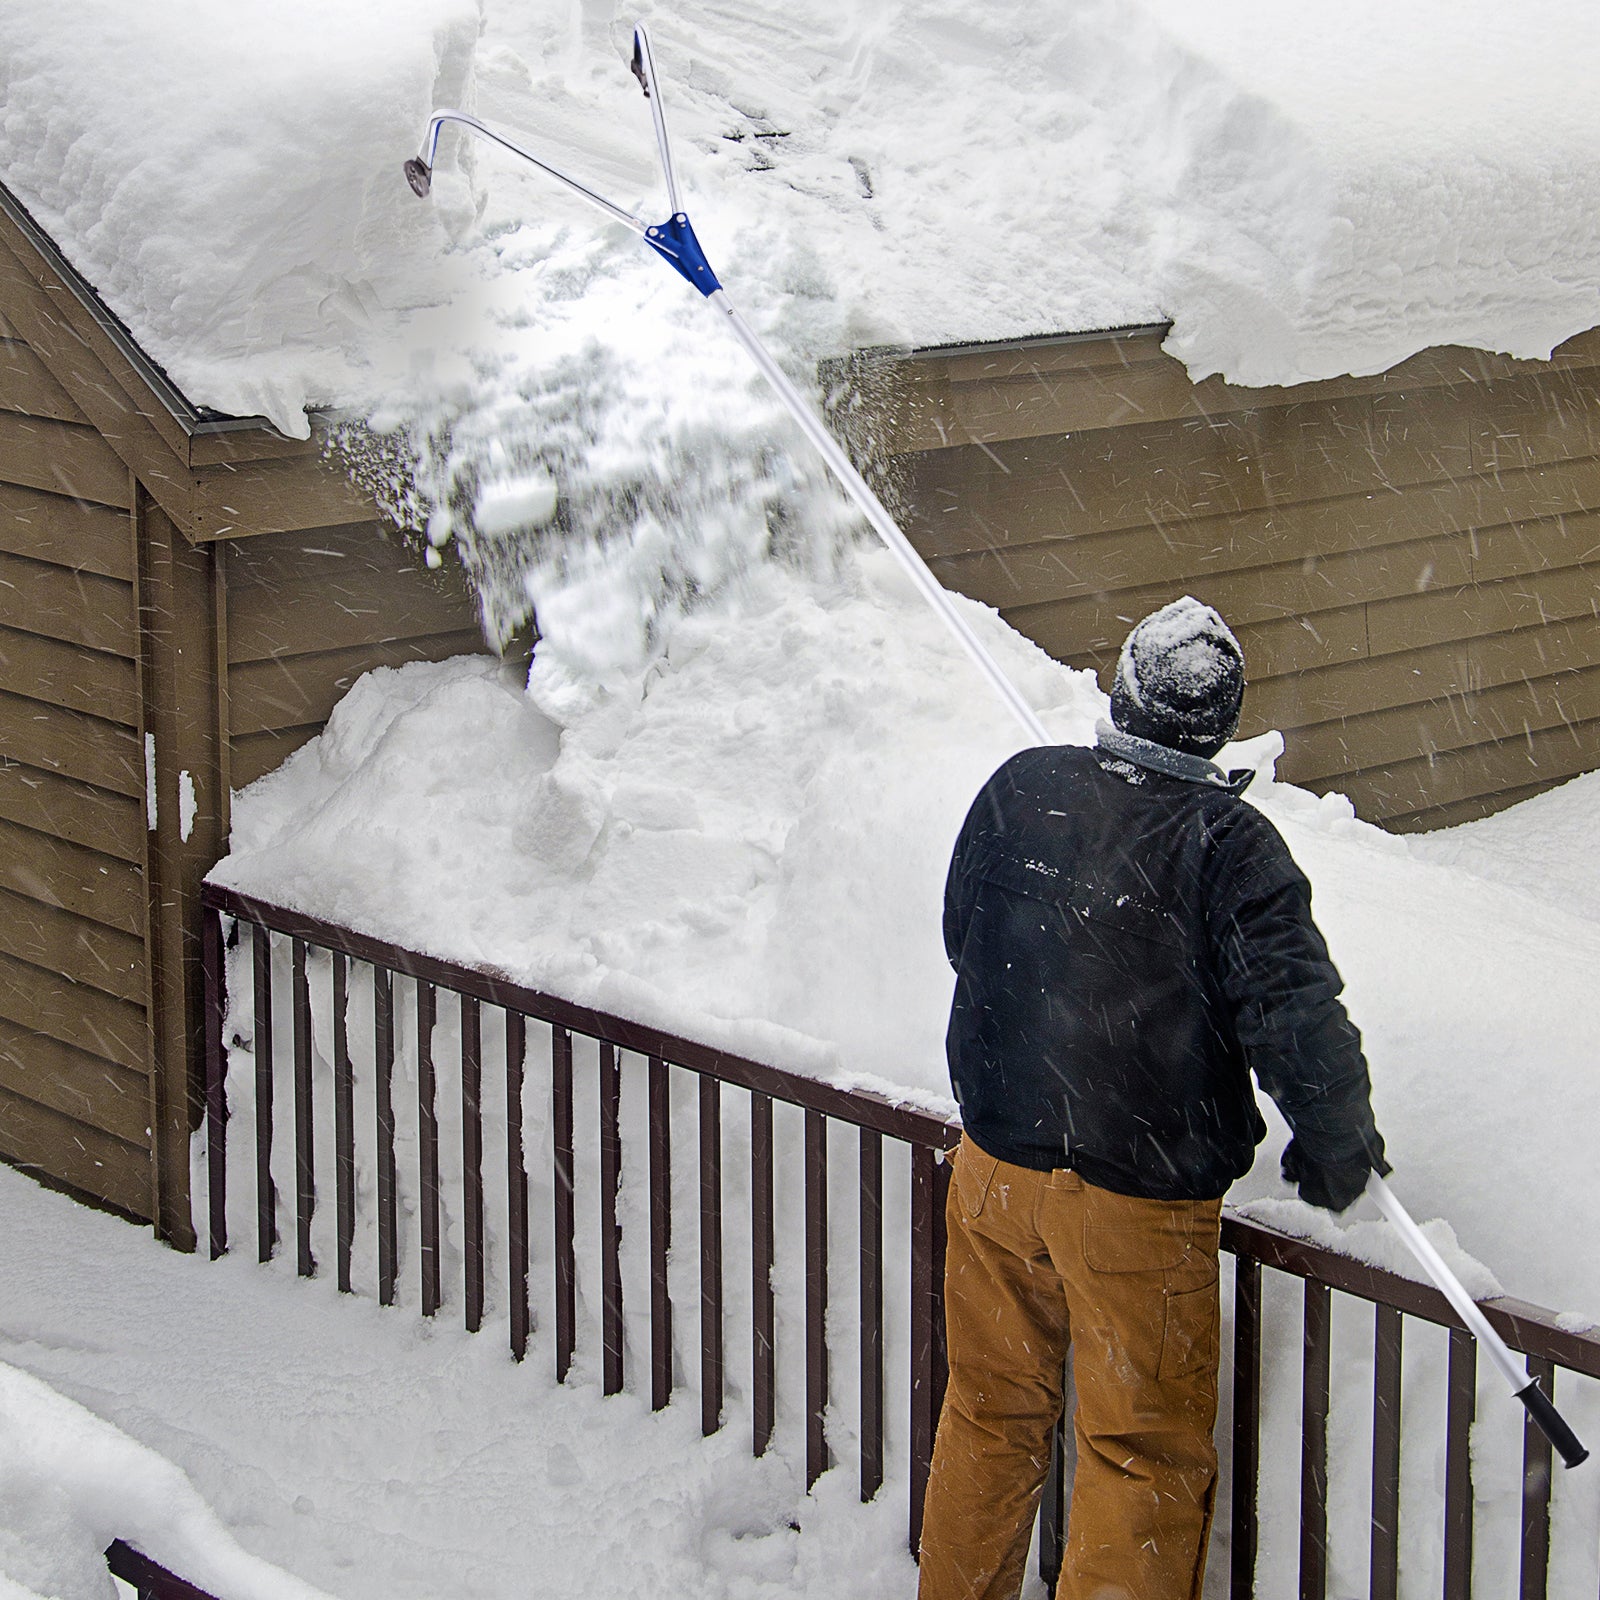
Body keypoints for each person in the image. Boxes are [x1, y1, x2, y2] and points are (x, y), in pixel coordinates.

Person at [917, 596, 1388, 1600]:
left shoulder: (1022, 786)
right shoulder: (1230, 844)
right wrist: (1336, 1139)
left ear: (1122, 693)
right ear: (1218, 724)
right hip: (1136, 1204)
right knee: (1138, 1453)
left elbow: (964, 937)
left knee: (990, 1413)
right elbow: (1293, 1012)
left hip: (995, 1172)